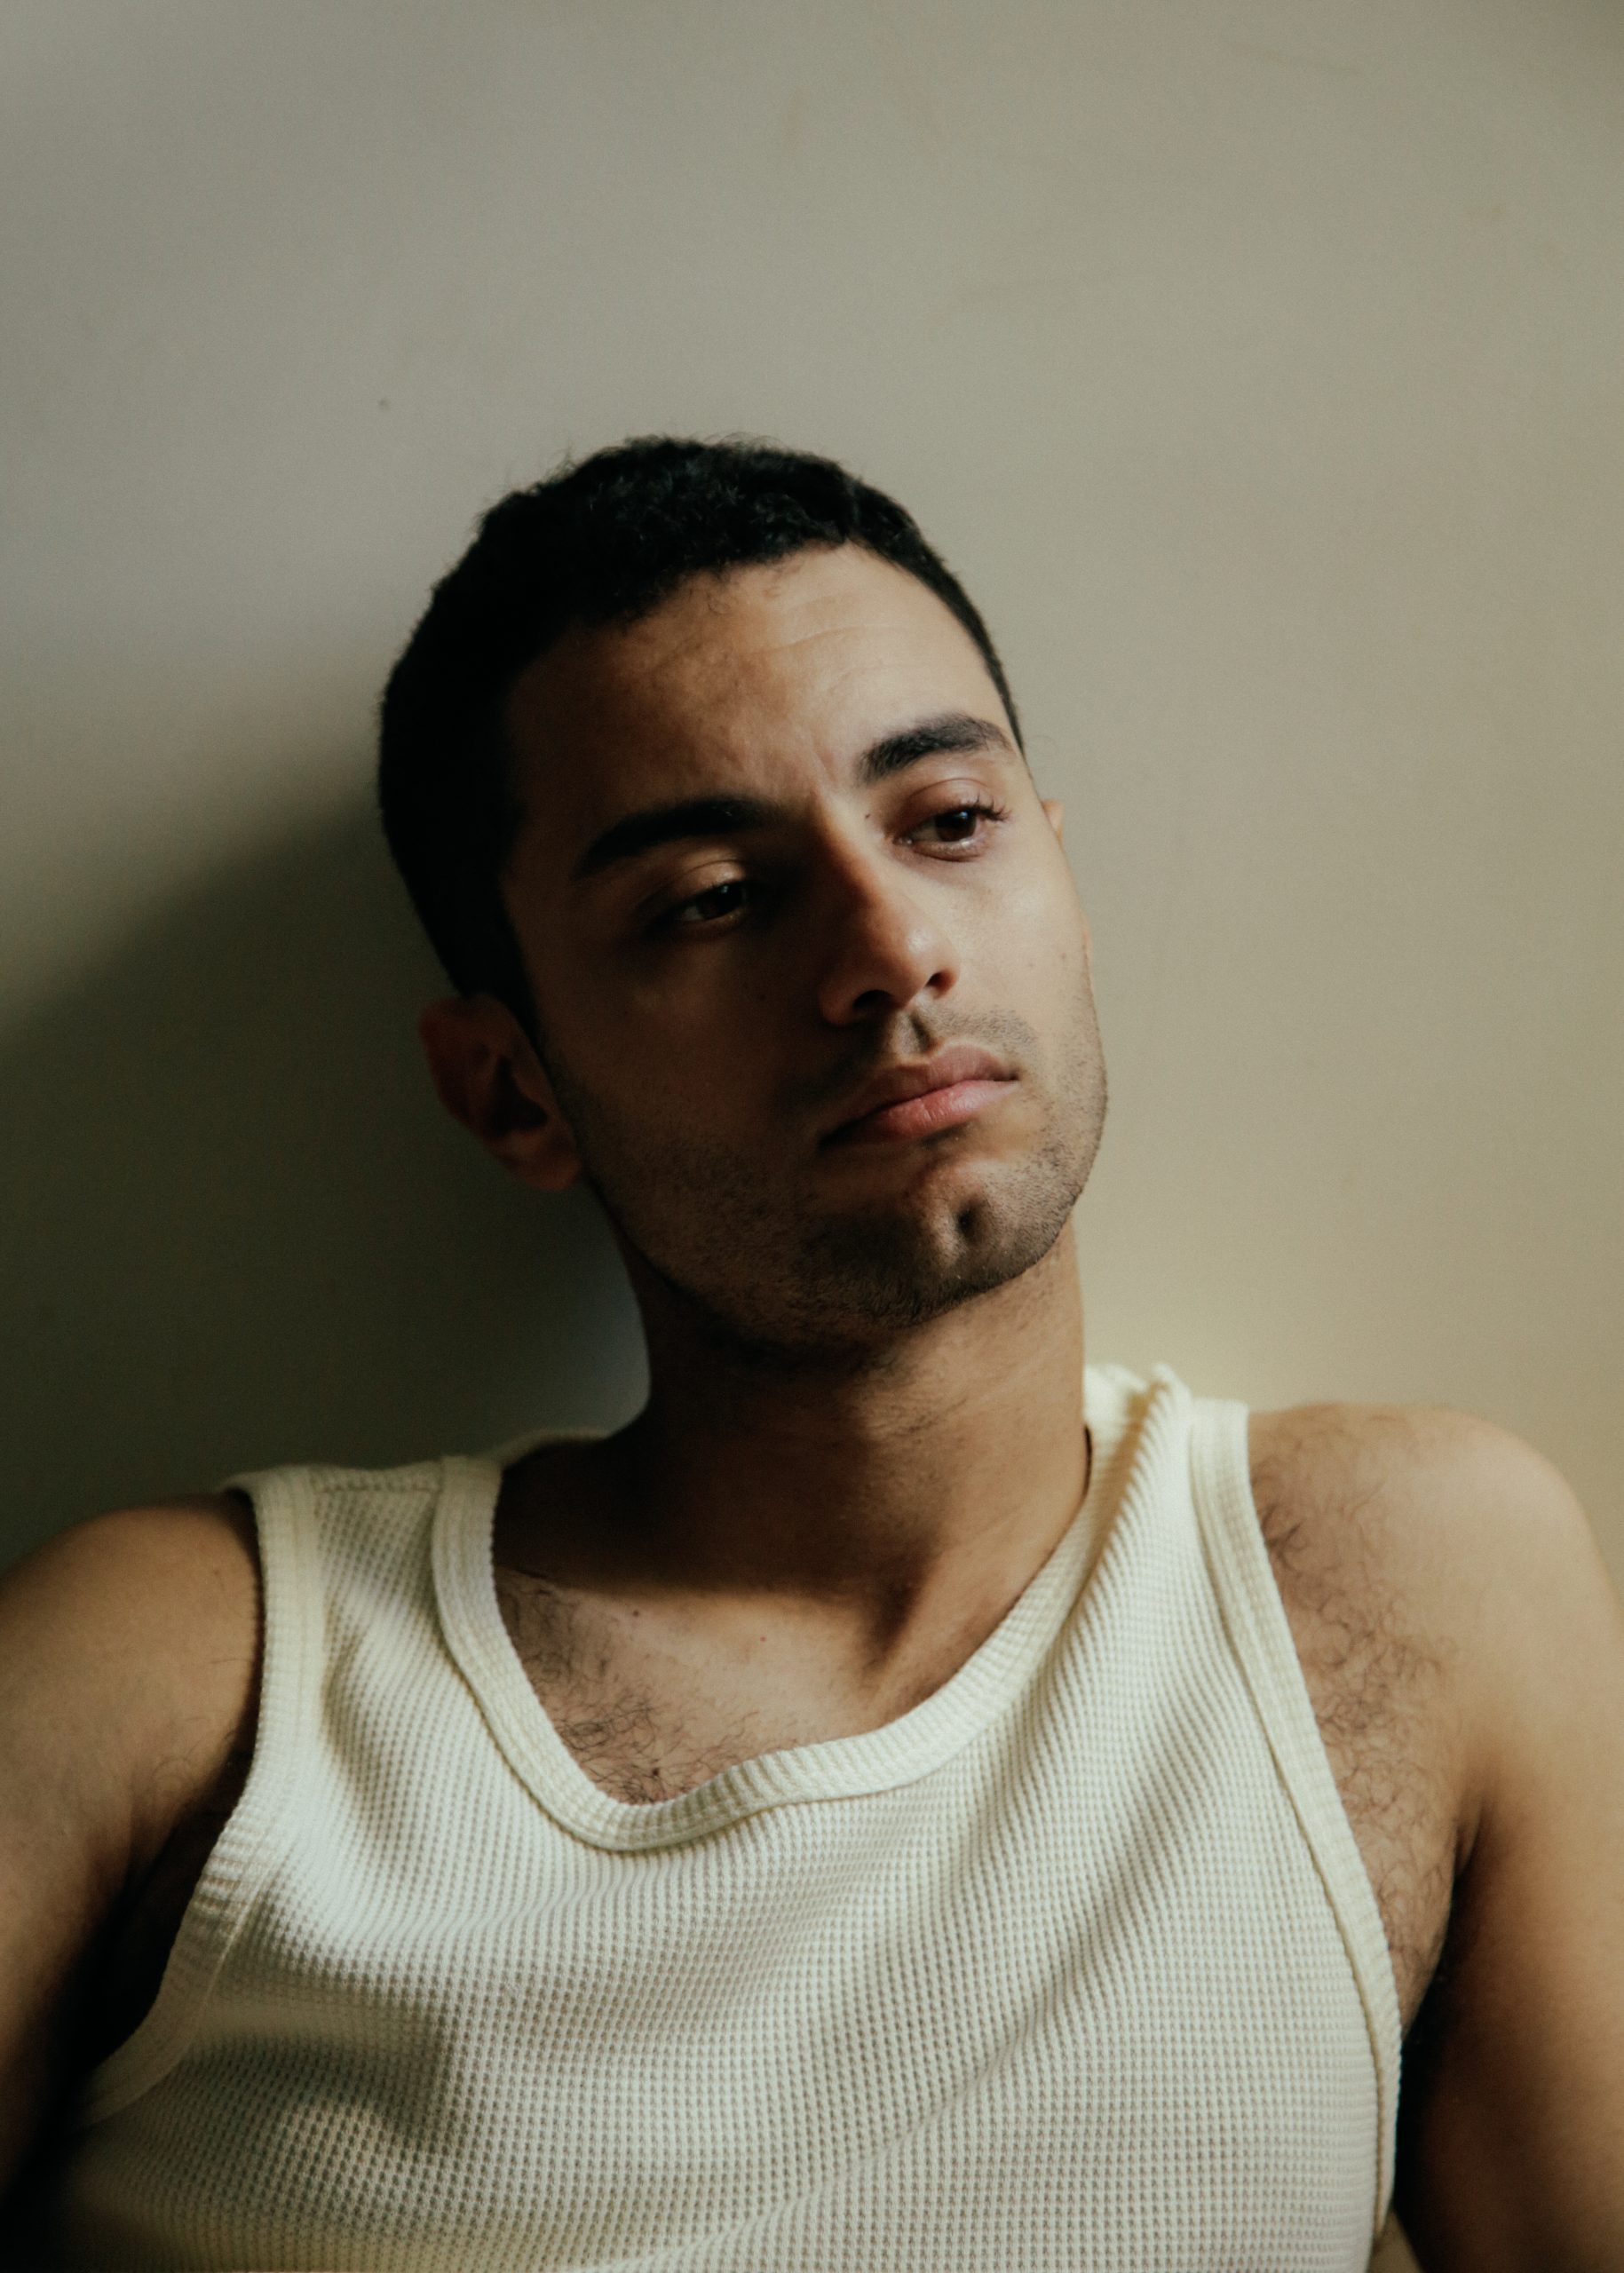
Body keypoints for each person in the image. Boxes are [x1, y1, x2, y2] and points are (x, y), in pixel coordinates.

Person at [3, 438, 1620, 2273]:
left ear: (1065, 880)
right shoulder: (189, 1669)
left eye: (949, 820)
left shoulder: (1404, 1582)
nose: (891, 947)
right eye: (712, 896)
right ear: (514, 1088)